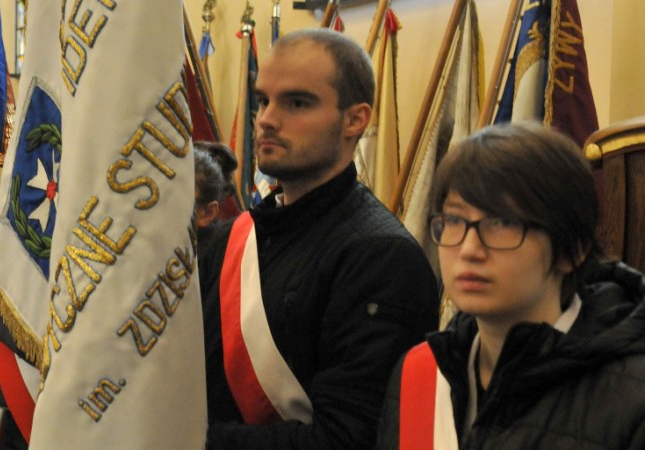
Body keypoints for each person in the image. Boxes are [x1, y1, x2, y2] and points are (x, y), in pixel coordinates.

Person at [198, 28, 439, 449]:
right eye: (263, 100)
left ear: (355, 119)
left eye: (296, 103)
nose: (266, 119)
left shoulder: (383, 259)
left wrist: (182, 439)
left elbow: (344, 441)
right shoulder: (227, 242)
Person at [376, 122, 645, 449]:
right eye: (455, 220)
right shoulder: (420, 373)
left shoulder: (632, 396)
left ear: (572, 250)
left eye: (503, 222)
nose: (469, 250)